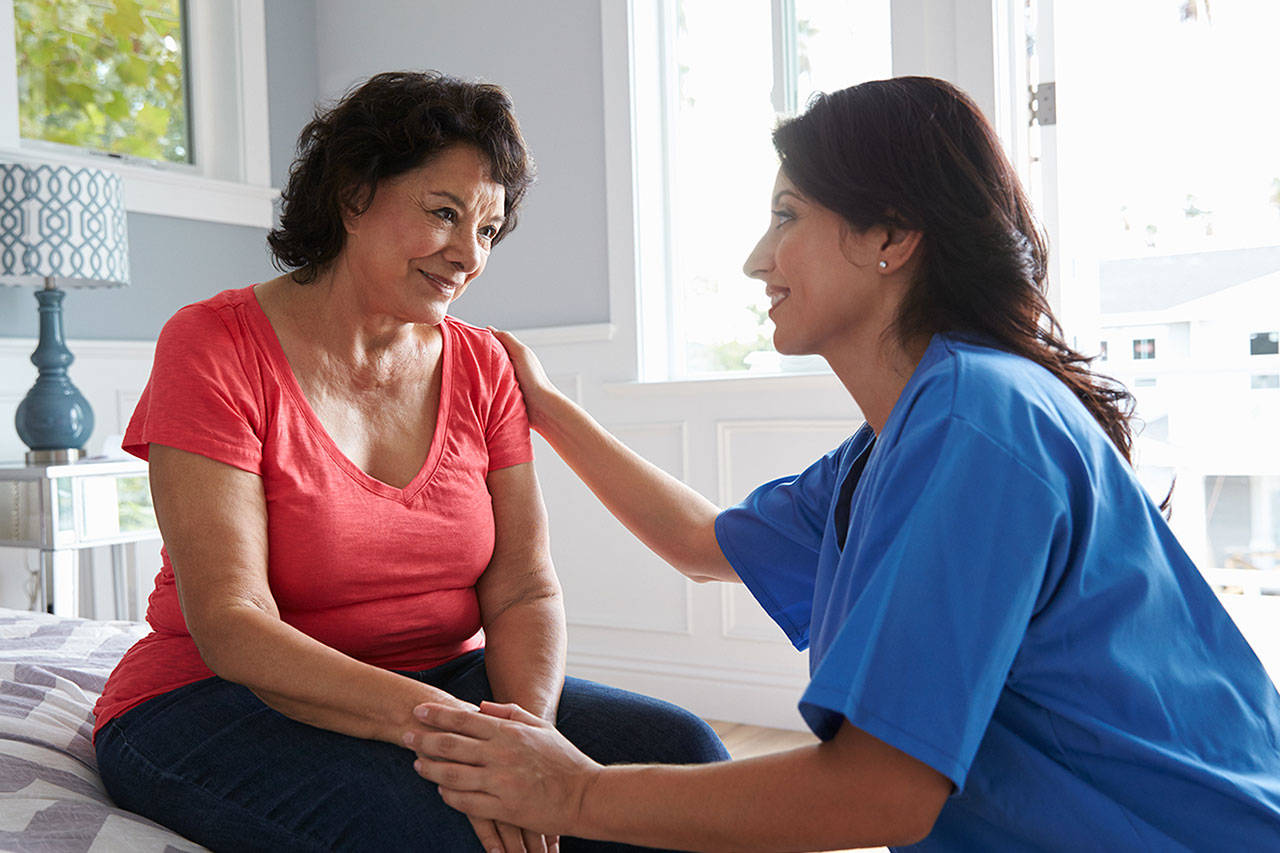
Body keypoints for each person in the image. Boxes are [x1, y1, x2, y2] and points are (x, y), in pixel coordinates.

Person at [403, 76, 1280, 851]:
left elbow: (879, 793)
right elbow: (702, 541)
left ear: (891, 234)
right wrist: (549, 406)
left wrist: (575, 791)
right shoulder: (903, 434)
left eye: (787, 215)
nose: (756, 259)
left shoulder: (977, 423)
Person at [93, 70, 727, 853]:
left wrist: (523, 739)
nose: (468, 254)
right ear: (354, 194)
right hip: (216, 701)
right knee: (448, 834)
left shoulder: (484, 364)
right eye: (444, 213)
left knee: (688, 758)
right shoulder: (213, 344)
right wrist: (466, 742)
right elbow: (233, 625)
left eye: (489, 230)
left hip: (443, 683)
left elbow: (524, 585)